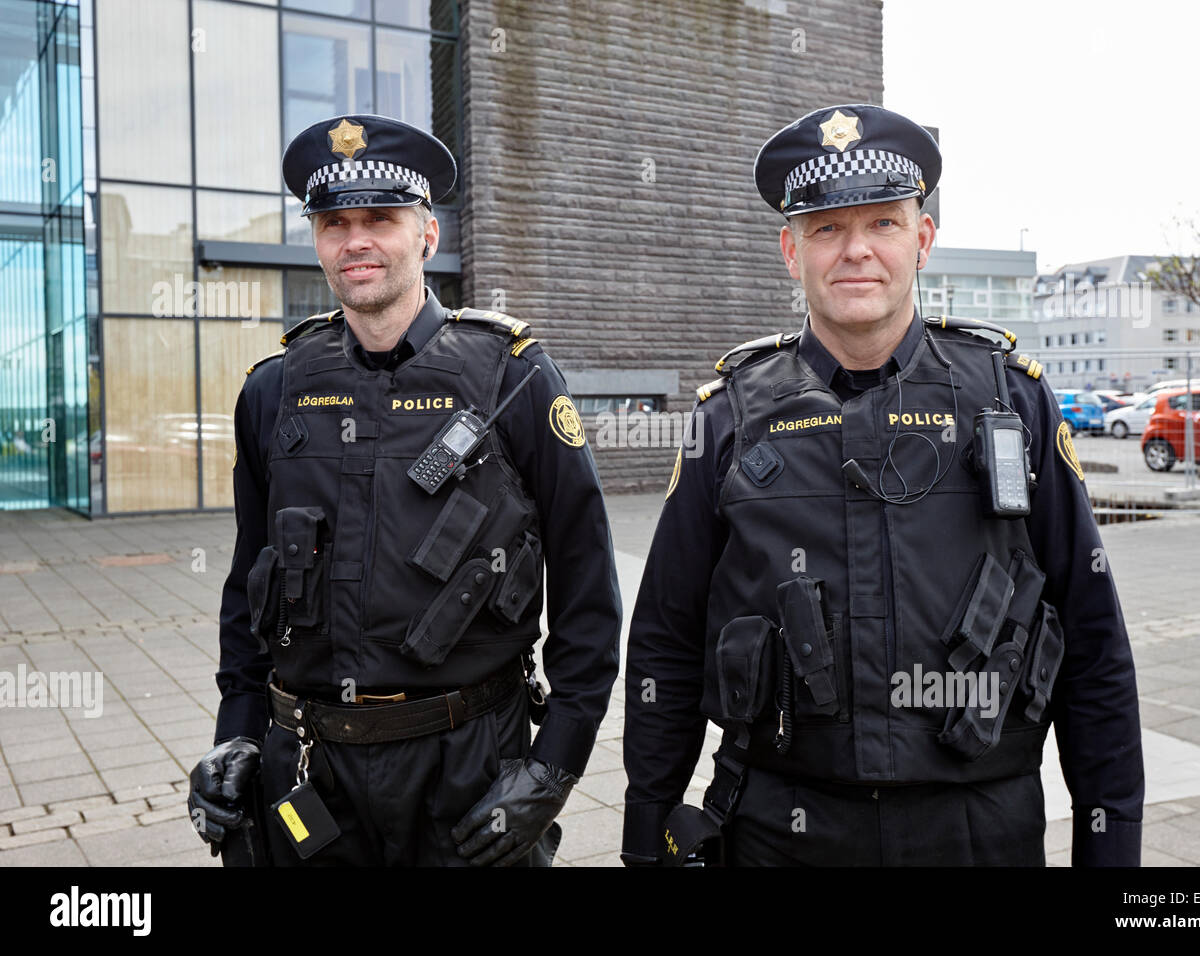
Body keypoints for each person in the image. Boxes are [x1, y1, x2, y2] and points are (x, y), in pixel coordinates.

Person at [621, 104, 1143, 866]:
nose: (855, 251)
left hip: (977, 831)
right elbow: (666, 643)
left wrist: (1111, 847)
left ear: (923, 241)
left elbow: (1094, 645)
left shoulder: (1012, 402)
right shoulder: (728, 419)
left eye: (883, 225)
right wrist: (647, 834)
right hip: (780, 831)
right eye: (826, 229)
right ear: (789, 252)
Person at [187, 114, 621, 866]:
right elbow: (245, 593)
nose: (355, 241)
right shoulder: (274, 392)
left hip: (467, 770)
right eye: (334, 223)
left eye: (380, 219)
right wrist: (238, 731)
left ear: (427, 234)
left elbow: (588, 595)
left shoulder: (513, 379)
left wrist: (553, 768)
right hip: (311, 771)